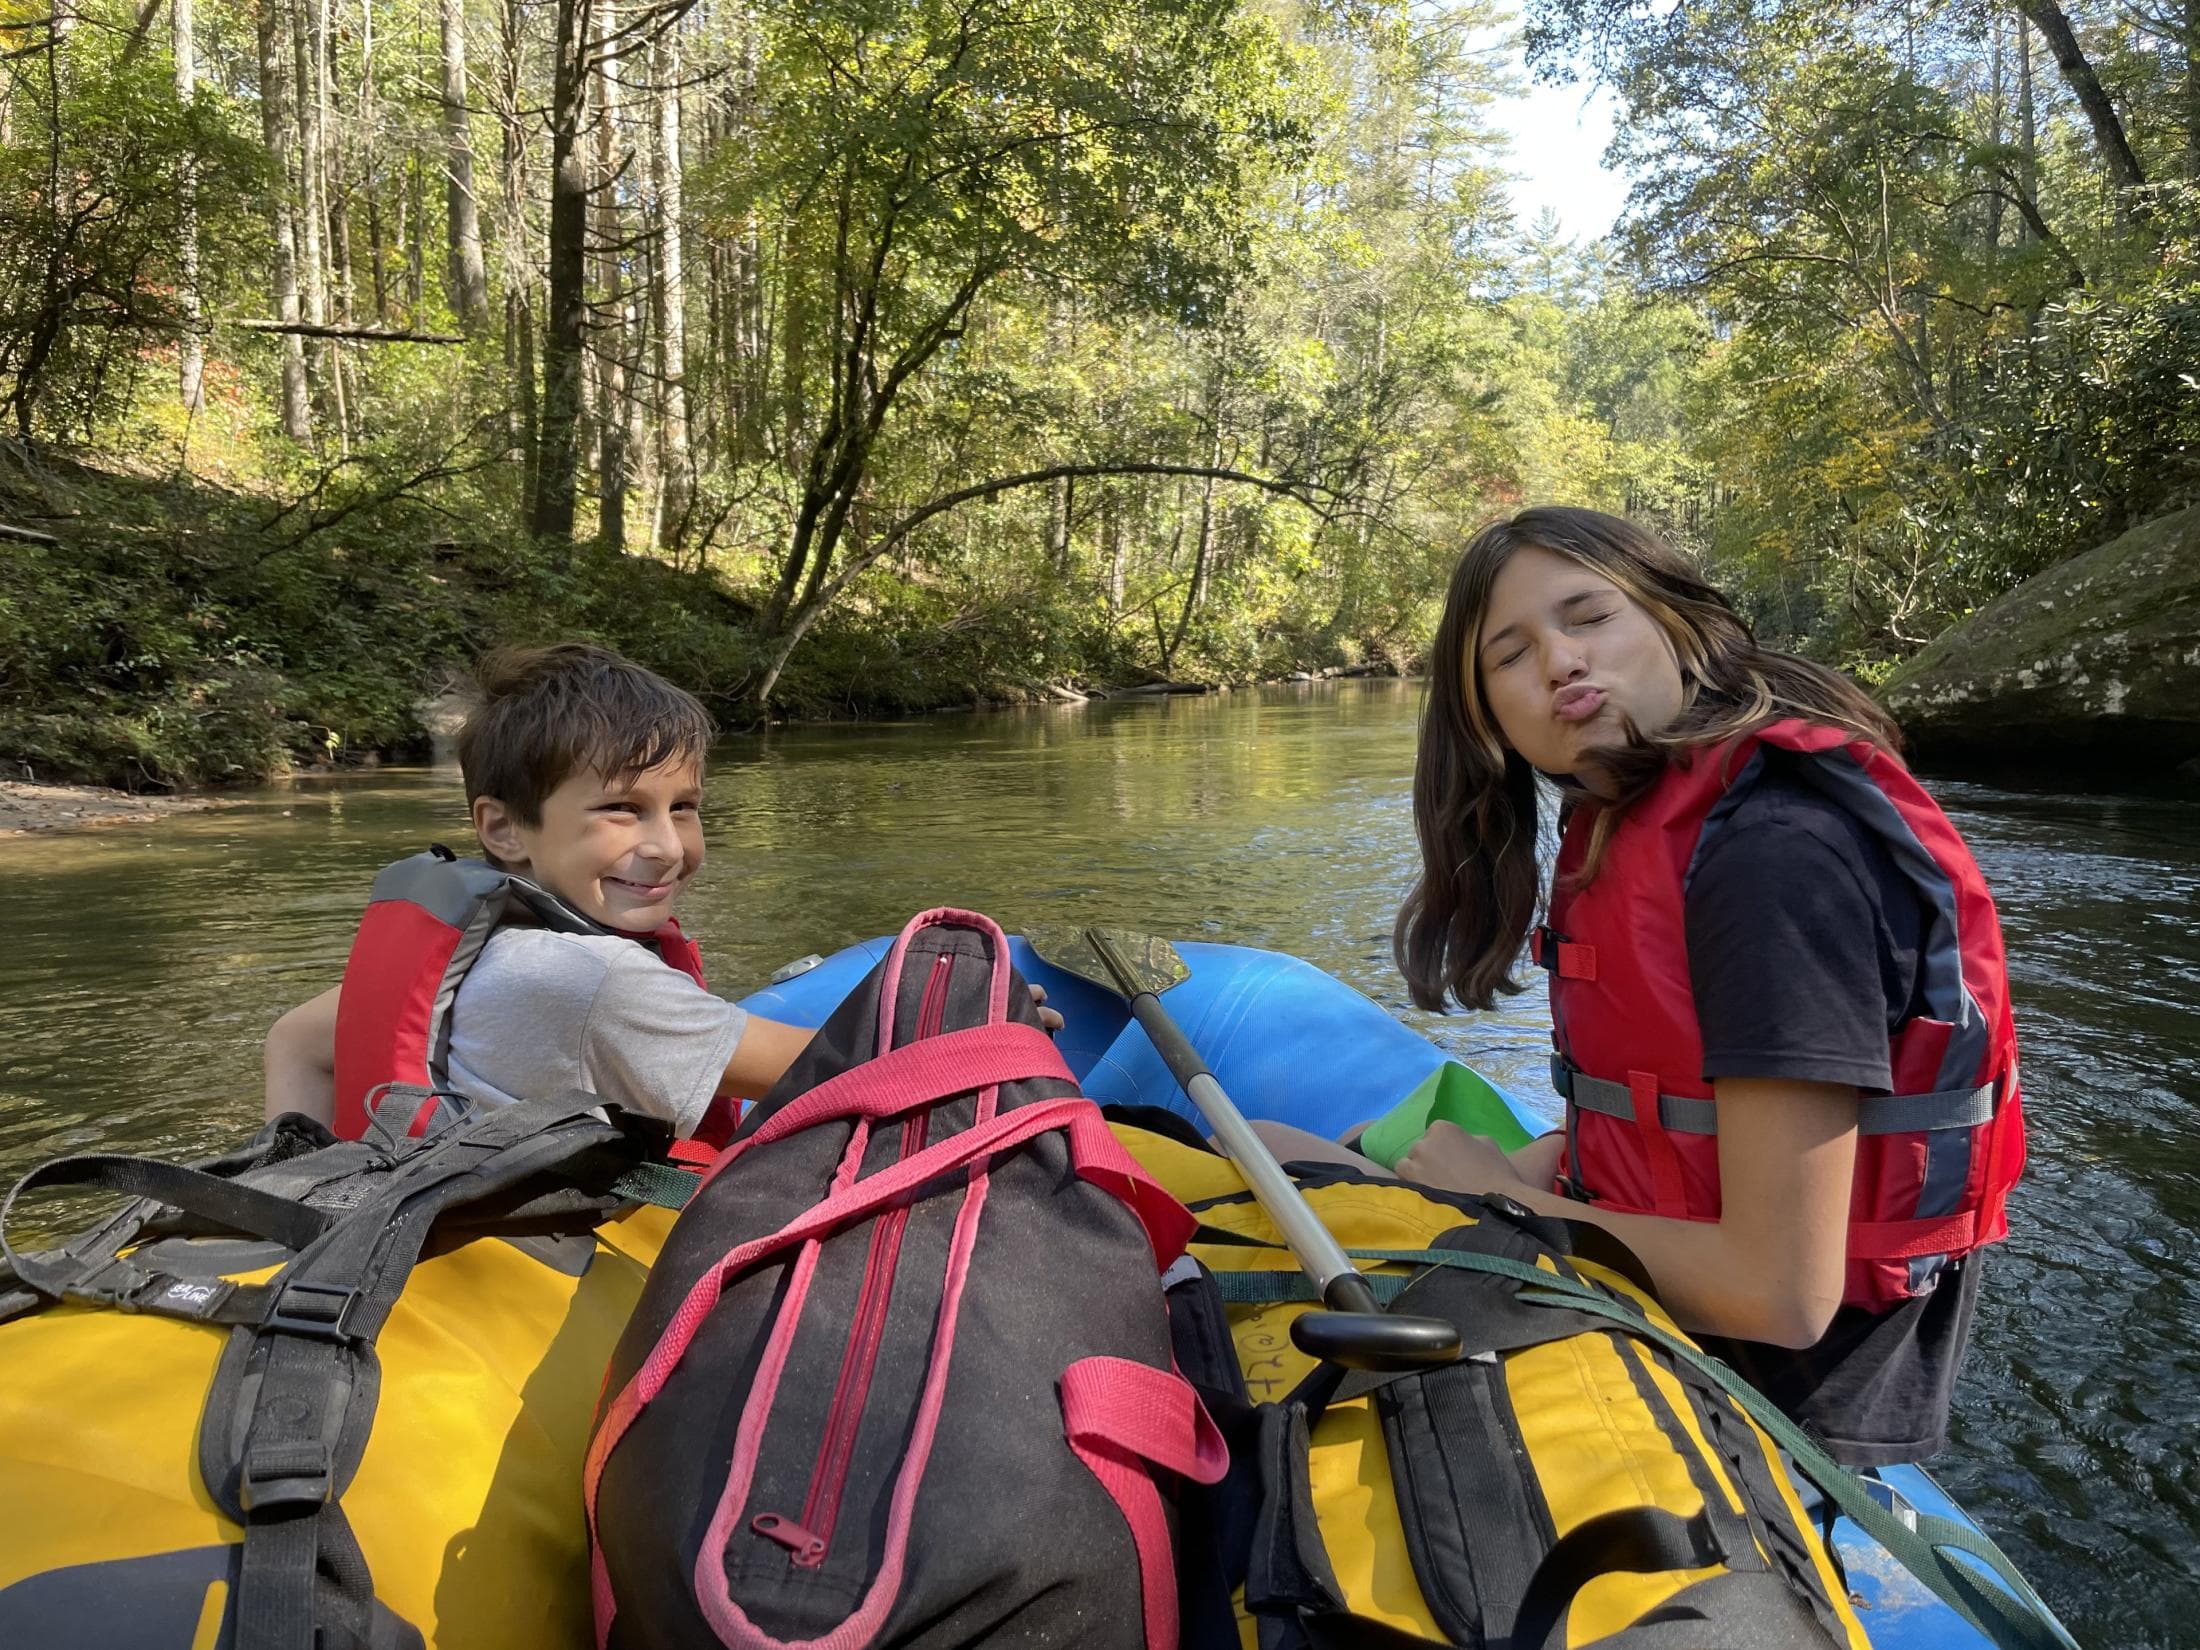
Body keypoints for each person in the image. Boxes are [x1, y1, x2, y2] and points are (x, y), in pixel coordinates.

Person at [1284, 507, 2026, 1466]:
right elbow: (1686, 1123)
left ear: (1678, 623)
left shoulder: (1773, 858)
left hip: (1769, 1392)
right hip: (1656, 1290)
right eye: (1510, 655)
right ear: (1486, 721)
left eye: (1589, 617)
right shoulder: (1639, 820)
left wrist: (1504, 1204)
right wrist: (1541, 1169)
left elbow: (1780, 1293)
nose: (1559, 662)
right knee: (1275, 1151)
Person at [263, 643, 1057, 1140]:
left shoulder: (483, 945)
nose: (668, 846)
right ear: (504, 830)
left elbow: (295, 1041)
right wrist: (995, 1024)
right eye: (621, 809)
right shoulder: (591, 978)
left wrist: (300, 1175)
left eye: (683, 808)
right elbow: (833, 1065)